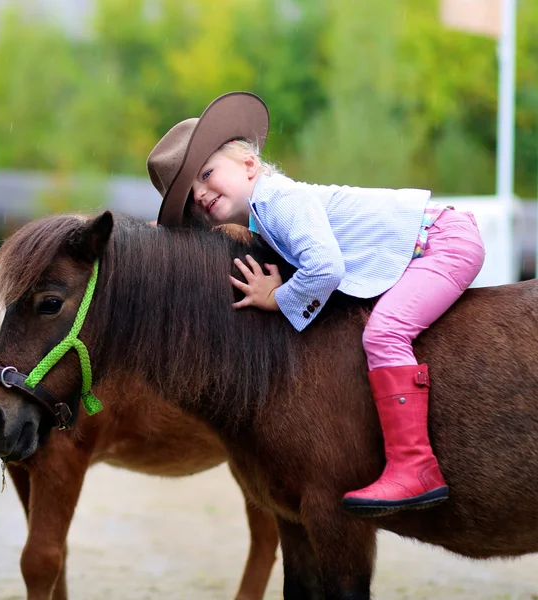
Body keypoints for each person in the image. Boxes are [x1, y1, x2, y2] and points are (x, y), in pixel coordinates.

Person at [146, 92, 485, 516]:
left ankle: (414, 465)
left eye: (207, 173)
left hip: (441, 241)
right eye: (190, 191)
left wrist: (277, 298)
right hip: (426, 242)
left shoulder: (277, 201)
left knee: (385, 333)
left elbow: (325, 268)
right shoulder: (264, 219)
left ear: (249, 164)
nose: (200, 193)